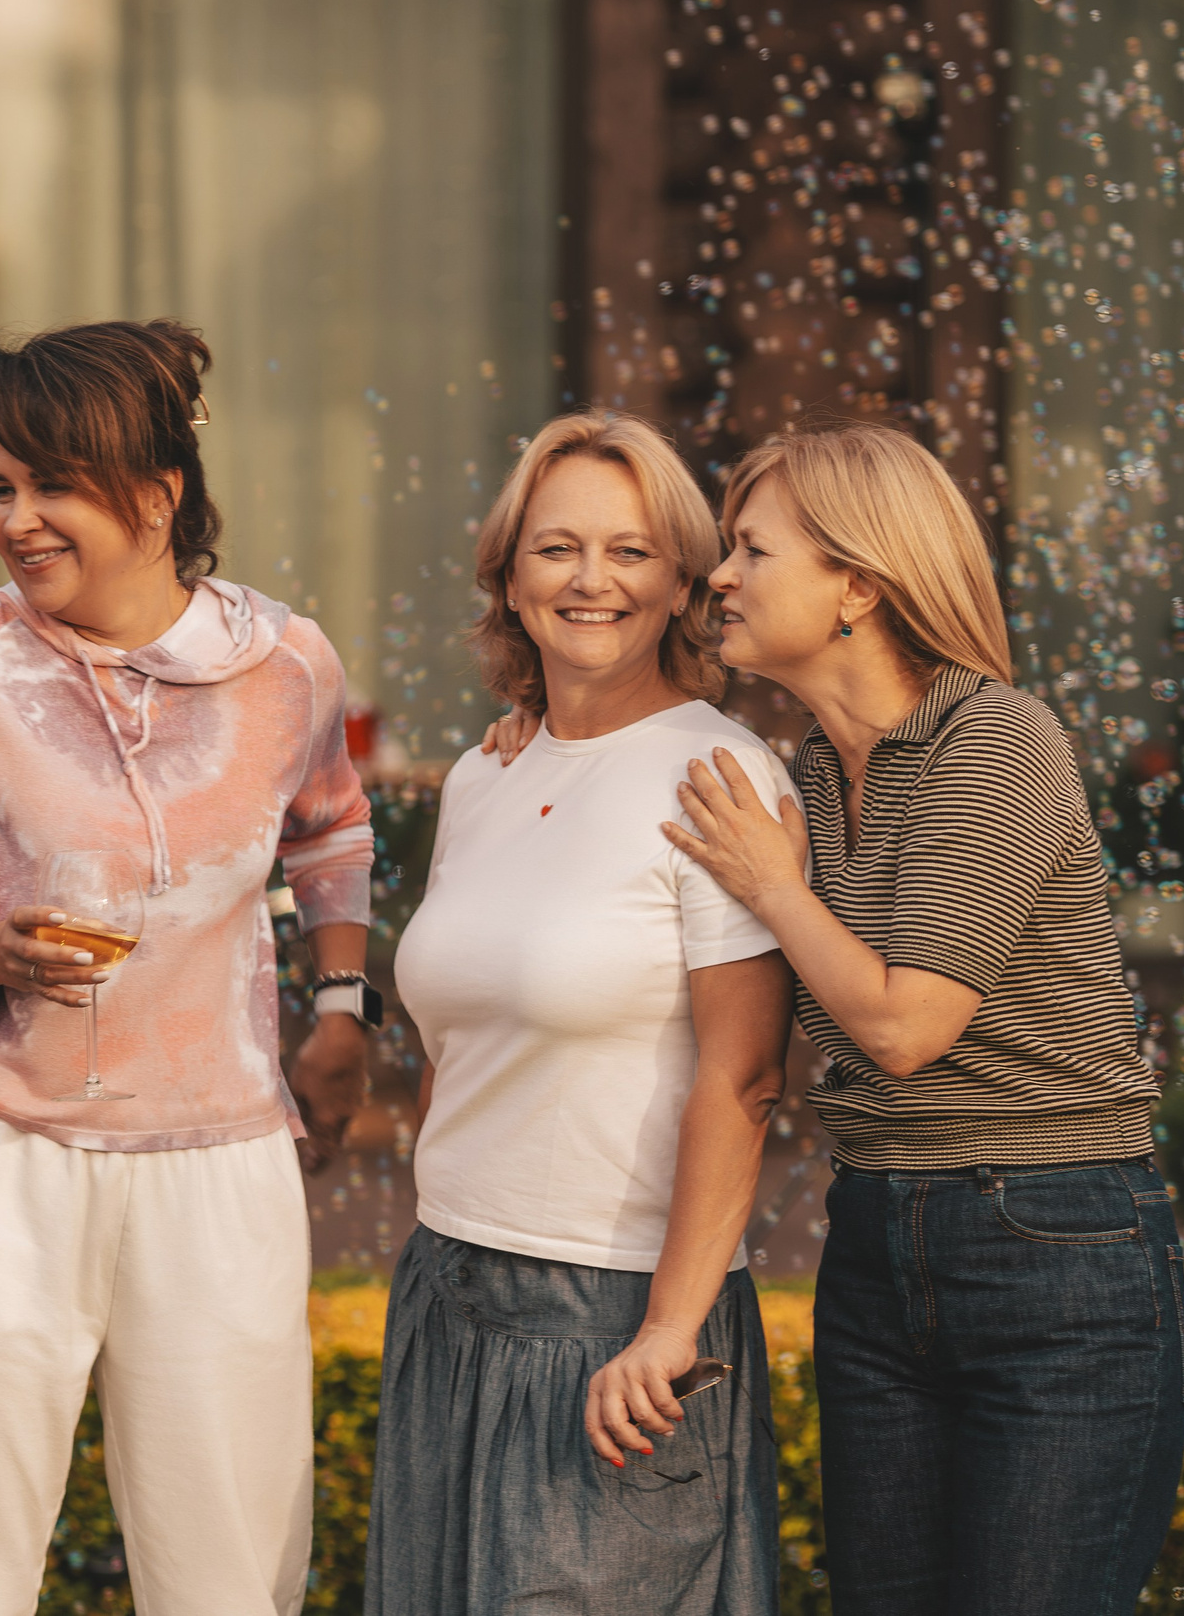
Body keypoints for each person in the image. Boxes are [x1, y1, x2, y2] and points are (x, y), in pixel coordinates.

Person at [0, 318, 376, 1616]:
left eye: (52, 486)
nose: (18, 519)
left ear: (156, 495)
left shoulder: (288, 664)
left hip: (221, 1155)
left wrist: (341, 1008)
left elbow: (333, 830)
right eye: (1, 487)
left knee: (229, 1569)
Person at [658, 423, 1183, 1614]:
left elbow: (903, 1030)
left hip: (1053, 1248)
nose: (719, 576)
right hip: (875, 1243)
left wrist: (776, 890)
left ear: (857, 584)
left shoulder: (995, 737)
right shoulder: (797, 772)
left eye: (750, 549)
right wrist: (527, 735)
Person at [370, 411, 795, 1615]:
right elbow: (455, 1033)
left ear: (679, 582)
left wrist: (669, 1328)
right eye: (555, 548)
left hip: (617, 1312)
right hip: (446, 1288)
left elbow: (747, 1077)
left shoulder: (717, 776)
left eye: (629, 550)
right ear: (509, 577)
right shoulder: (483, 773)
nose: (590, 579)